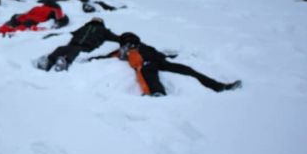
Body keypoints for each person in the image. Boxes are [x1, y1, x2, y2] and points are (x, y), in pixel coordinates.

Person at [89, 32, 241, 96]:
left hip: (159, 61)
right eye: (129, 41)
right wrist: (94, 59)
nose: (132, 43)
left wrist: (168, 56)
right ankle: (158, 93)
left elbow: (157, 53)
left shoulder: (143, 46)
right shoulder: (127, 50)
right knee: (149, 73)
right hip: (148, 64)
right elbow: (135, 67)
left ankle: (219, 86)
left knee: (188, 70)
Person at [35, 17, 120, 72]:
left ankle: (65, 63)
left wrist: (124, 38)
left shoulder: (104, 30)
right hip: (74, 43)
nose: (95, 21)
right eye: (94, 20)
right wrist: (56, 34)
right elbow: (73, 33)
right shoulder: (84, 27)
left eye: (97, 20)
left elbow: (115, 38)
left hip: (87, 47)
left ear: (101, 22)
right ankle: (48, 62)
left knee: (75, 50)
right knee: (60, 48)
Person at [0, 2, 69, 38]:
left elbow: (27, 12)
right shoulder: (53, 10)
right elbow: (62, 19)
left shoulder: (39, 7)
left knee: (13, 23)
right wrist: (59, 24)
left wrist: (18, 16)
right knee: (19, 26)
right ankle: (4, 32)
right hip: (31, 19)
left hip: (27, 18)